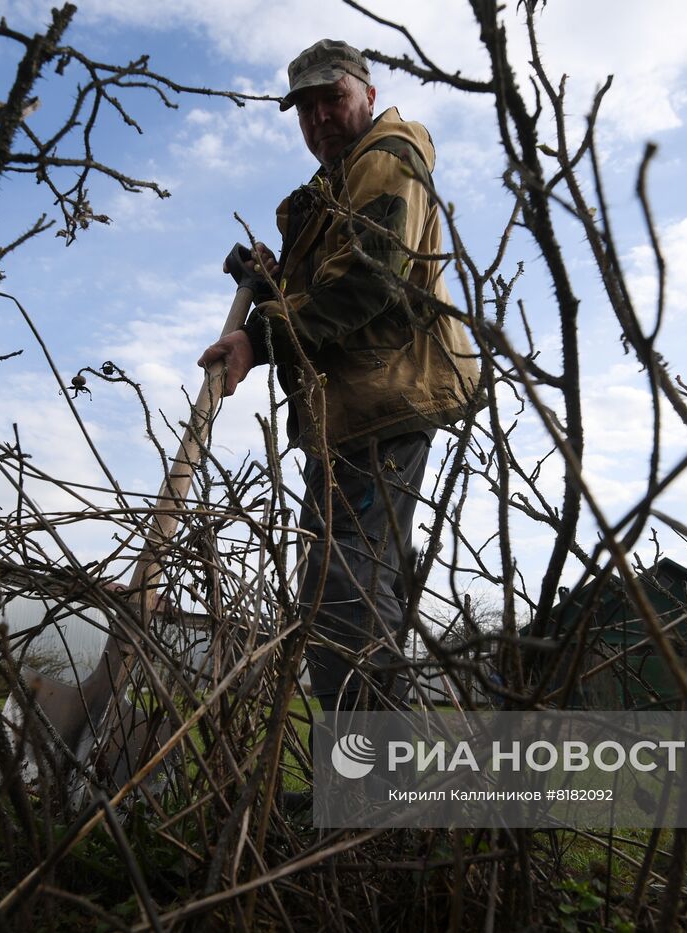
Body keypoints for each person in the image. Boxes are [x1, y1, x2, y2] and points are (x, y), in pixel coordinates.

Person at [198, 39, 479, 714]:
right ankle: (364, 792)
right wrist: (272, 279)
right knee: (350, 584)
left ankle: (373, 799)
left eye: (334, 98)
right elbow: (324, 283)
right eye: (306, 107)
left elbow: (366, 282)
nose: (320, 116)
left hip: (384, 400)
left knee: (340, 583)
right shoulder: (335, 186)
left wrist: (257, 338)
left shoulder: (385, 158)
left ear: (368, 96)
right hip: (351, 408)